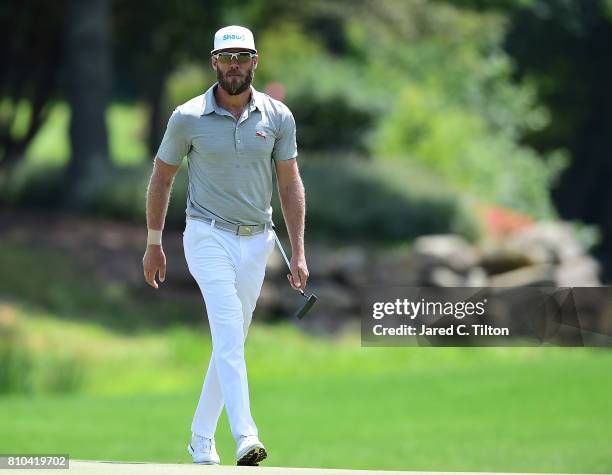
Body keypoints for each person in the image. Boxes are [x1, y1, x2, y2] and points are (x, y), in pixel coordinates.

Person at [141, 25, 308, 466]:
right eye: (226, 57)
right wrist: (154, 243)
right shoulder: (188, 116)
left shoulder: (277, 116)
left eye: (243, 56)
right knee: (230, 328)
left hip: (257, 242)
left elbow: (289, 183)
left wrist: (299, 251)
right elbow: (162, 176)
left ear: (256, 61)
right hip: (206, 234)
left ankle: (200, 437)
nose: (234, 65)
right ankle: (245, 436)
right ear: (214, 62)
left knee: (229, 340)